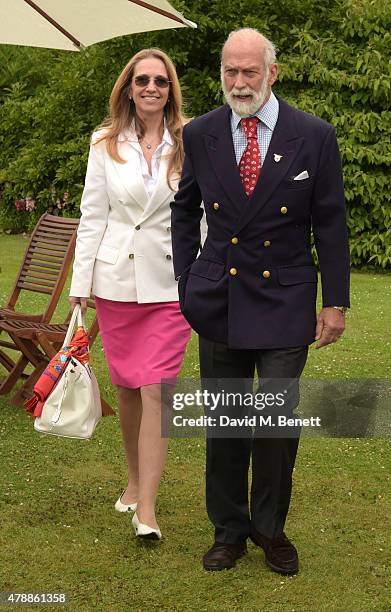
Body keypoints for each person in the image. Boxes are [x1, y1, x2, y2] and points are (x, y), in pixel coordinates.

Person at [171, 28, 350, 573]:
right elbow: (184, 210)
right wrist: (187, 280)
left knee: (274, 423)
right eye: (230, 71)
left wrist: (335, 301)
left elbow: (331, 223)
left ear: (272, 73)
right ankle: (228, 531)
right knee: (225, 421)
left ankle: (270, 529)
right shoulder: (200, 133)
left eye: (249, 71)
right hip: (220, 298)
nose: (239, 82)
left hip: (286, 300)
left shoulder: (313, 134)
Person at [69, 48, 192, 540]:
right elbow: (92, 215)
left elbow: (200, 215)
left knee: (158, 389)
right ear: (128, 87)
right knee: (127, 389)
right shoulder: (104, 143)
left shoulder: (189, 142)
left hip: (170, 286)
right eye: (142, 80)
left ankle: (148, 510)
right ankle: (134, 480)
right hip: (115, 282)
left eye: (160, 81)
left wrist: (205, 274)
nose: (150, 88)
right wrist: (80, 287)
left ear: (170, 90)